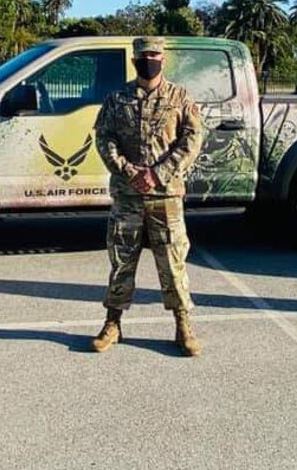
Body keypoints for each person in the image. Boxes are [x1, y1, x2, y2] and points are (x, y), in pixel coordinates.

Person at [91, 36, 204, 355]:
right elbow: (105, 139)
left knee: (173, 263)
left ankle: (183, 326)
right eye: (143, 55)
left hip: (165, 196)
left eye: (154, 54)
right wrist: (129, 170)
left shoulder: (180, 97)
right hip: (127, 197)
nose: (148, 59)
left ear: (163, 59)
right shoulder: (117, 99)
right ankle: (112, 324)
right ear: (134, 59)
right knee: (121, 262)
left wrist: (158, 173)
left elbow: (191, 140)